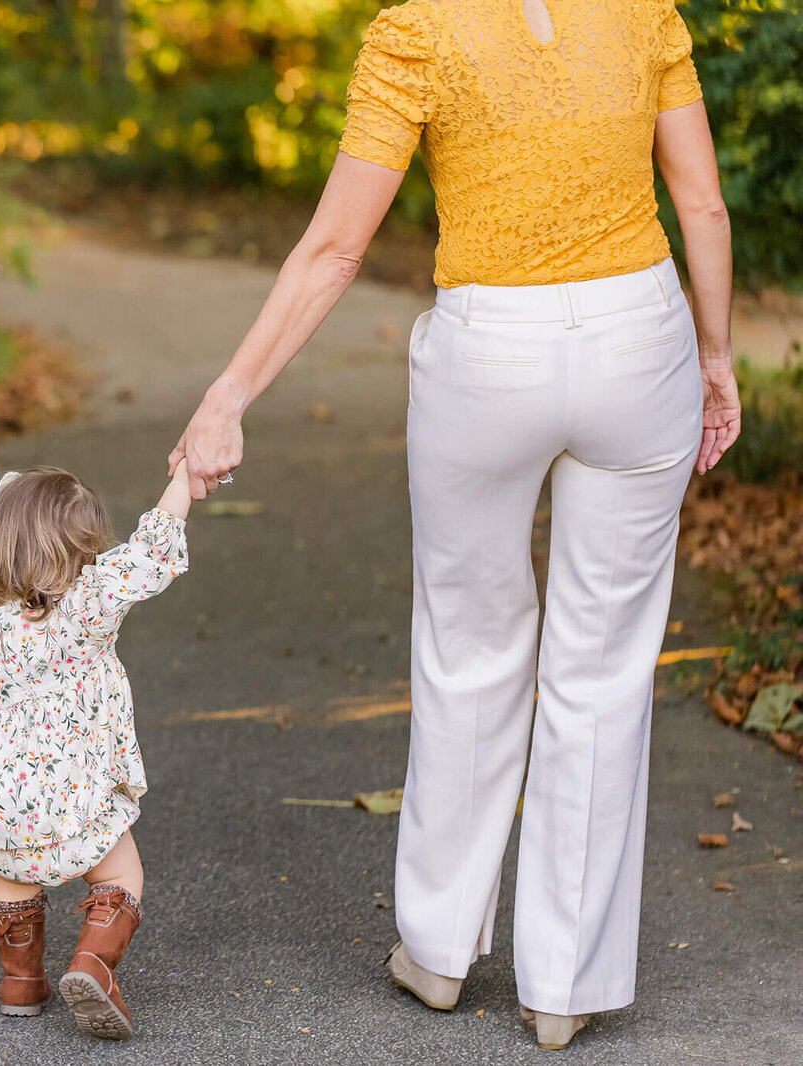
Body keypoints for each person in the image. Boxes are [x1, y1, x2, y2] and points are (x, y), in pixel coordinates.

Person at [169, 0, 737, 1050]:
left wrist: (228, 395)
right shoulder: (642, 9)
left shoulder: (415, 30)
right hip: (636, 335)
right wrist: (712, 353)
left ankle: (436, 952)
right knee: (602, 668)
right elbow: (699, 203)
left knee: (468, 646)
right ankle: (560, 987)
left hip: (490, 353)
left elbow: (336, 247)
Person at [0, 463, 192, 1041]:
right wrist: (181, 480)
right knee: (119, 873)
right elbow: (151, 552)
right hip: (74, 783)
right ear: (81, 546)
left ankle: (20, 985)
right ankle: (92, 964)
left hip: (0, 791)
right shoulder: (89, 602)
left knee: (15, 879)